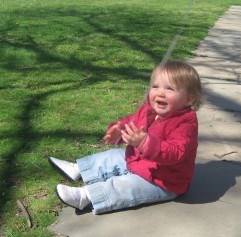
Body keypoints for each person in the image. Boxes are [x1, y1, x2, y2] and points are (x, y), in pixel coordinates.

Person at [48, 60, 202, 214]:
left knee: (126, 185)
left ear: (189, 99)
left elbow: (176, 152)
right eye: (155, 87)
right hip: (141, 161)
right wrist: (120, 130)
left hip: (165, 181)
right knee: (113, 156)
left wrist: (144, 142)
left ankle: (86, 196)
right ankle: (78, 169)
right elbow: (131, 122)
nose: (160, 93)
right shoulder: (149, 110)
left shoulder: (186, 124)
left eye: (170, 89)